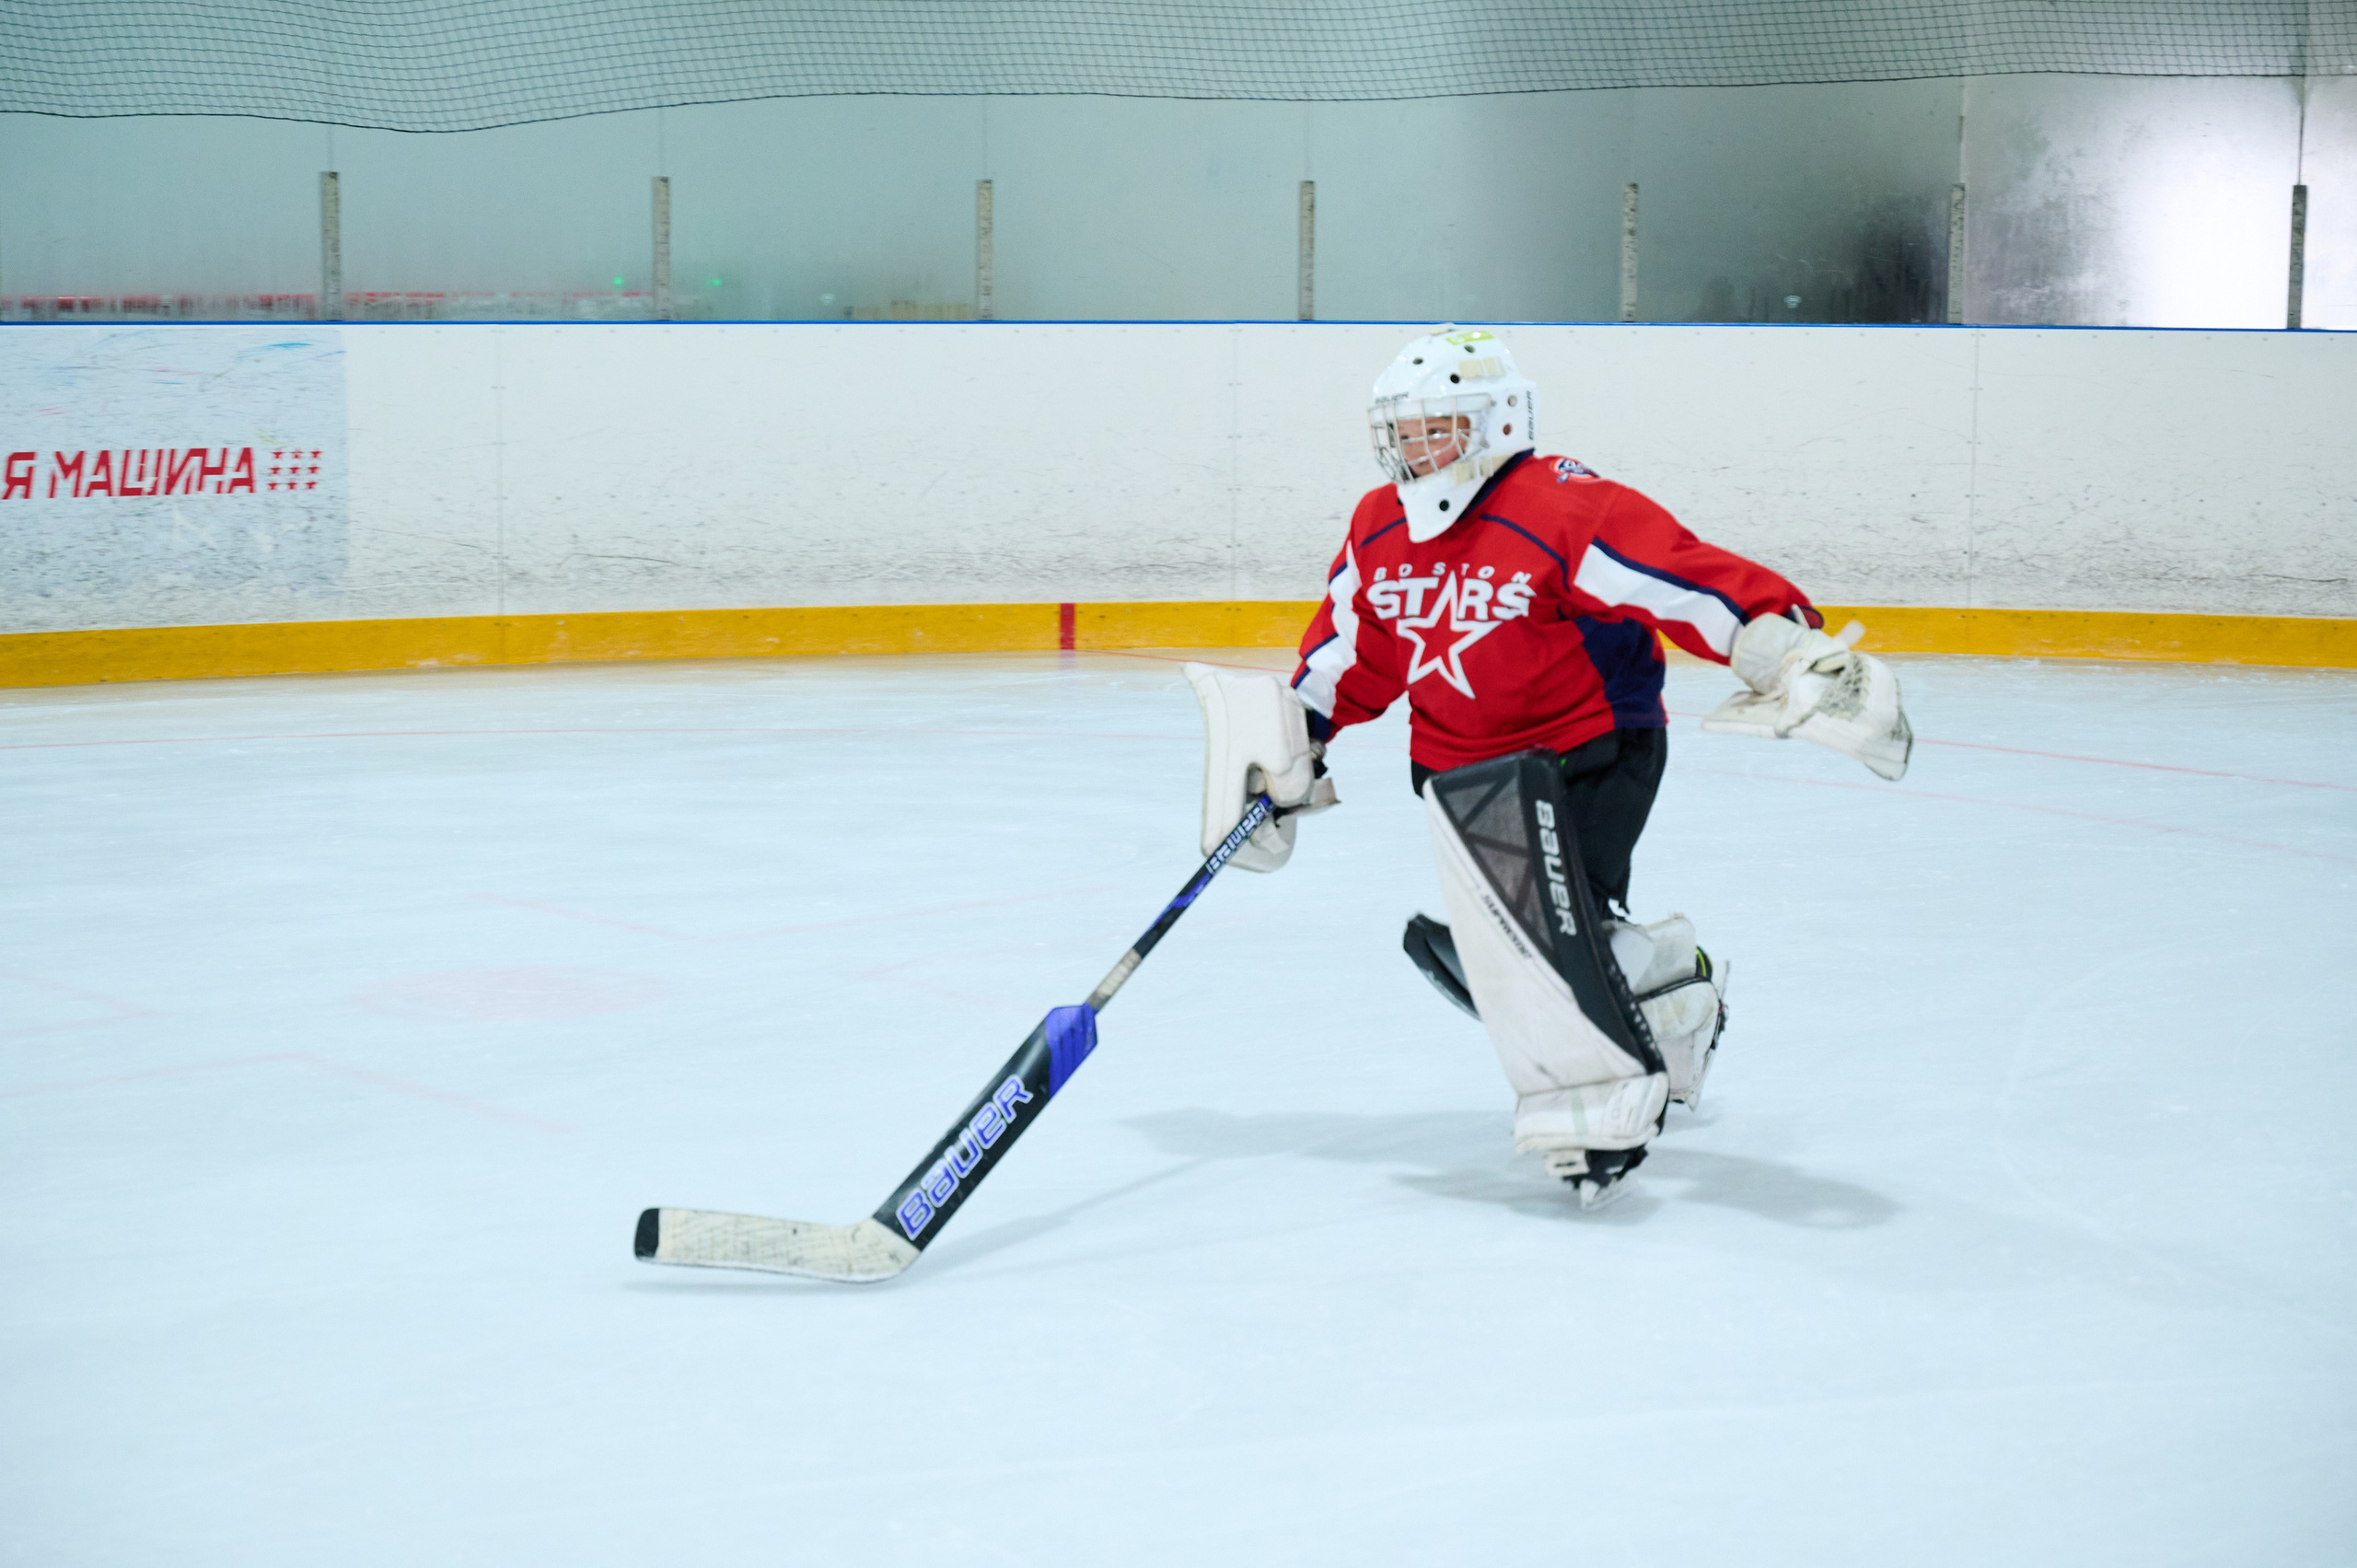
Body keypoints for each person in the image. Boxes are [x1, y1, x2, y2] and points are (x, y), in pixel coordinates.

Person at [1185, 327, 1912, 1208]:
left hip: (1591, 748)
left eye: (1437, 428)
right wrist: (1297, 735)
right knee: (1521, 944)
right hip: (1464, 774)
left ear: (1496, 422)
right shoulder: (1379, 523)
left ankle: (1597, 1100)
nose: (1416, 450)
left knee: (1540, 946)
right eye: (1402, 432)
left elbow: (1675, 577)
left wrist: (1778, 644)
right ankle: (1673, 988)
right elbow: (1355, 649)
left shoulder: (1559, 503)